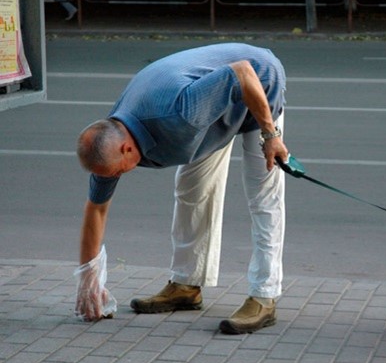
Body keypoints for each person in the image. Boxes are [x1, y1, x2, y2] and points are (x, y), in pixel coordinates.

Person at [75, 43, 289, 334]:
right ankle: (186, 286)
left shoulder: (180, 112)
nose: (117, 177)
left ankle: (265, 296)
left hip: (258, 84)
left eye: (117, 172)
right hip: (213, 106)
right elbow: (96, 208)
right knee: (191, 190)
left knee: (262, 196)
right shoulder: (108, 139)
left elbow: (242, 72)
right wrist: (89, 278)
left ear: (126, 148)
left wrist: (270, 134)